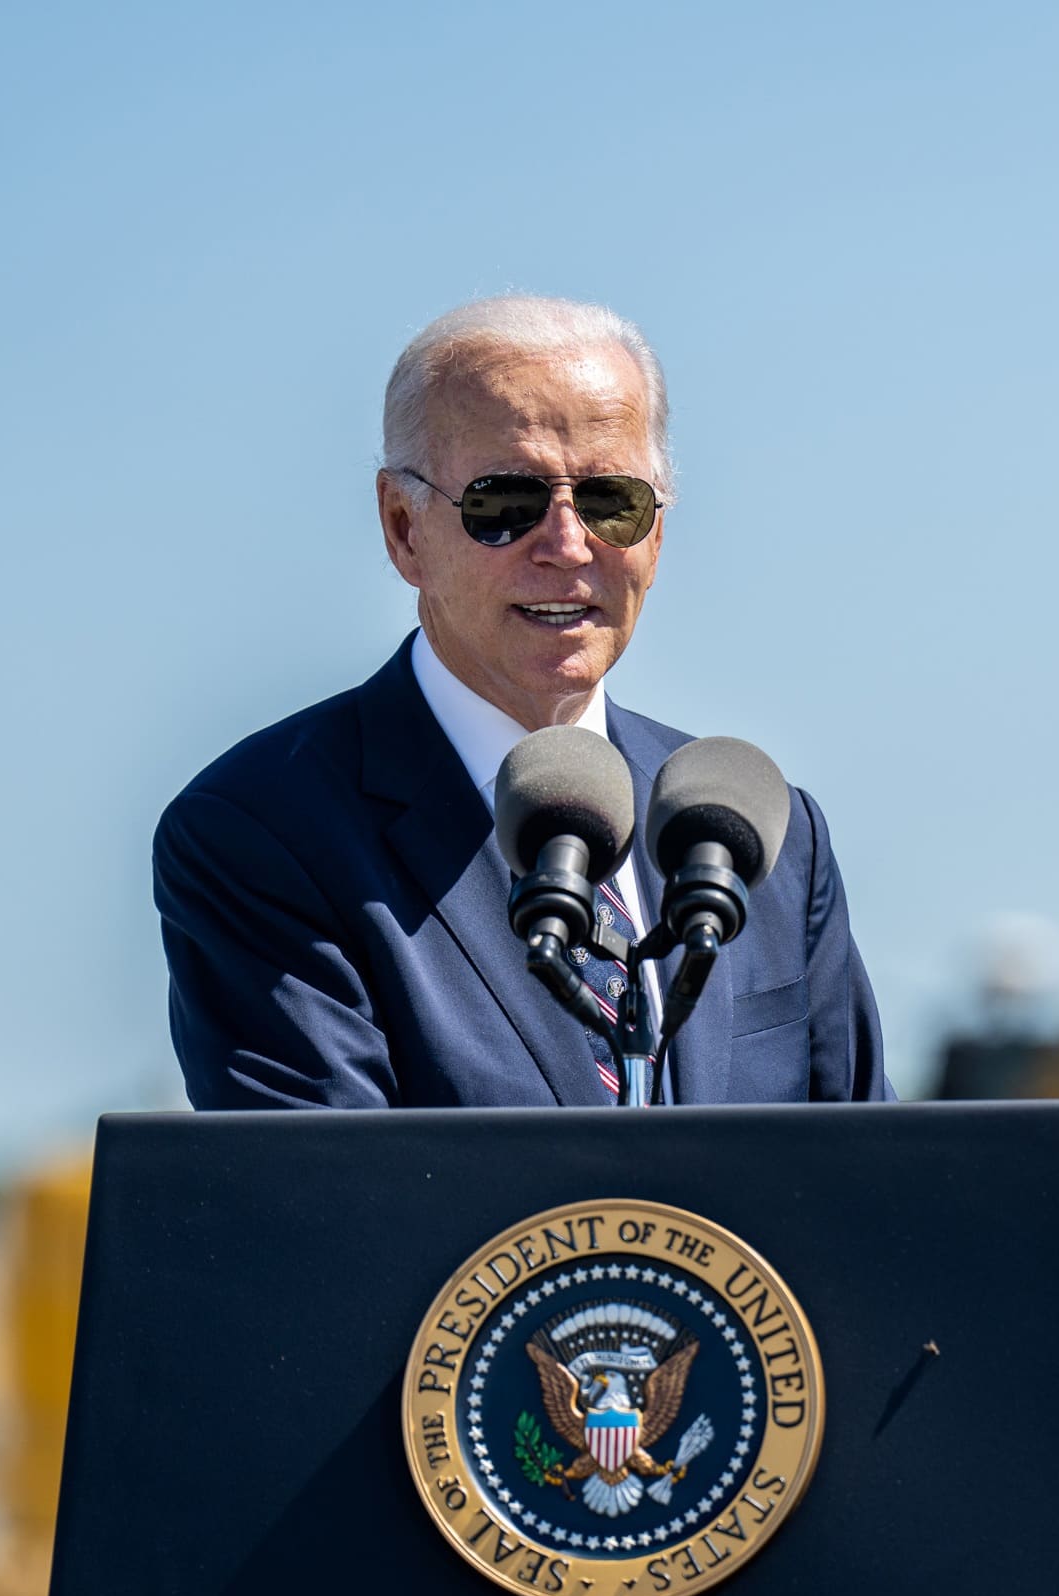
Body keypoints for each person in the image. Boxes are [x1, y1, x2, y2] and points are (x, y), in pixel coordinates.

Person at [154, 296, 894, 1108]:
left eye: (613, 501)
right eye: (506, 506)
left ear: (658, 532)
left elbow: (869, 1188)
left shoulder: (760, 835)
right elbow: (328, 1210)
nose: (569, 544)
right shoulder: (264, 834)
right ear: (404, 529)